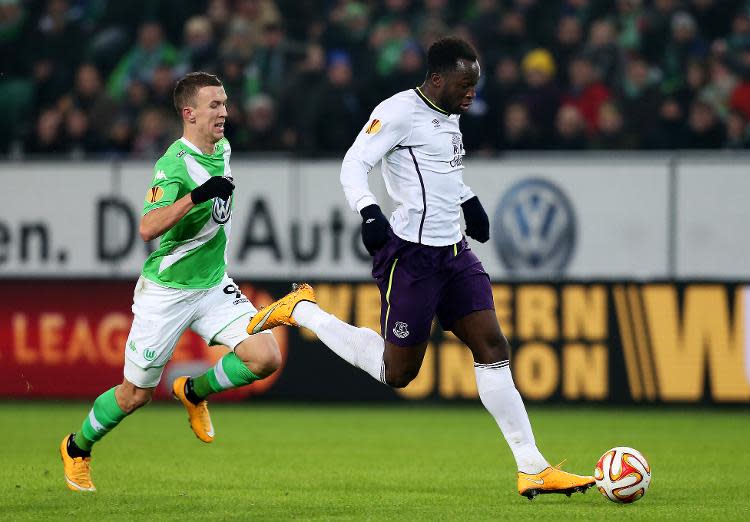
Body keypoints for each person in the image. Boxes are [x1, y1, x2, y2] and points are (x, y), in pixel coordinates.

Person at [246, 37, 595, 500]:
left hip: (455, 255)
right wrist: (369, 210)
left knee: (492, 345)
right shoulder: (397, 112)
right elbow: (354, 164)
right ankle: (304, 310)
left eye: (476, 83)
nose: (472, 91)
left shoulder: (448, 116)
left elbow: (442, 170)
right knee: (399, 373)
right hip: (412, 259)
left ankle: (532, 466)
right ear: (437, 78)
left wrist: (468, 199)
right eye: (465, 83)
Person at [60, 72, 282, 492]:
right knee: (134, 396)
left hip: (213, 284)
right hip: (167, 292)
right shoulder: (173, 165)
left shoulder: (223, 147)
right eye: (214, 105)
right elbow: (147, 227)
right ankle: (77, 447)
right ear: (189, 113)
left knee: (265, 356)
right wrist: (197, 196)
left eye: (225, 103)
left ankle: (193, 391)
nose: (224, 112)